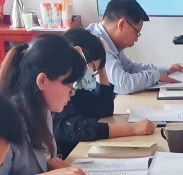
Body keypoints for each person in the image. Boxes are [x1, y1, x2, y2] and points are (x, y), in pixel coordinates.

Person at [0, 33, 91, 175]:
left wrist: (50, 163)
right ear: (42, 81)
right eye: (68, 84)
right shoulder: (2, 123)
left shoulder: (41, 108)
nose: (72, 92)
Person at [54, 28, 155, 159]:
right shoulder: (56, 92)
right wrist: (133, 129)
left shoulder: (75, 91)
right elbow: (78, 129)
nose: (91, 74)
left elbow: (104, 109)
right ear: (78, 54)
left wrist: (102, 66)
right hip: (67, 159)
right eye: (92, 68)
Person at [86, 0, 183, 94]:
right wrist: (157, 76)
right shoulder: (95, 42)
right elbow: (123, 84)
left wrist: (165, 71)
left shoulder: (109, 41)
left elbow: (129, 68)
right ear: (122, 24)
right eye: (136, 33)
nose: (136, 39)